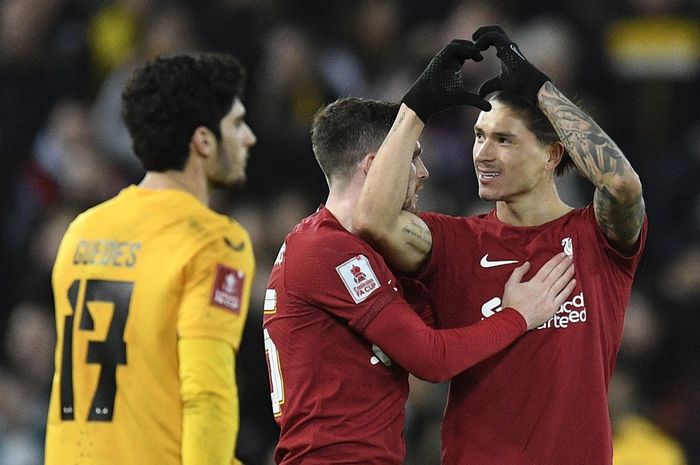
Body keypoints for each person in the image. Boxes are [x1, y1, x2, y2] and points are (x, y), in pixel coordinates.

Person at [262, 40, 577, 465]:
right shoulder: (326, 250)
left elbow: (434, 326)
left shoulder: (352, 251)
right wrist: (518, 315)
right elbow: (430, 358)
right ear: (376, 168)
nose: (423, 172)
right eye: (412, 158)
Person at [354, 26, 648, 464]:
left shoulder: (595, 239)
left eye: (503, 139)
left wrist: (539, 87)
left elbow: (622, 184)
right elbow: (372, 220)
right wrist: (415, 107)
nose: (483, 154)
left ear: (552, 155)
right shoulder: (454, 243)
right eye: (478, 136)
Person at [44, 52, 256, 465]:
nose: (248, 137)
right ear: (203, 141)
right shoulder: (215, 242)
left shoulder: (82, 231)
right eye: (236, 124)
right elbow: (207, 395)